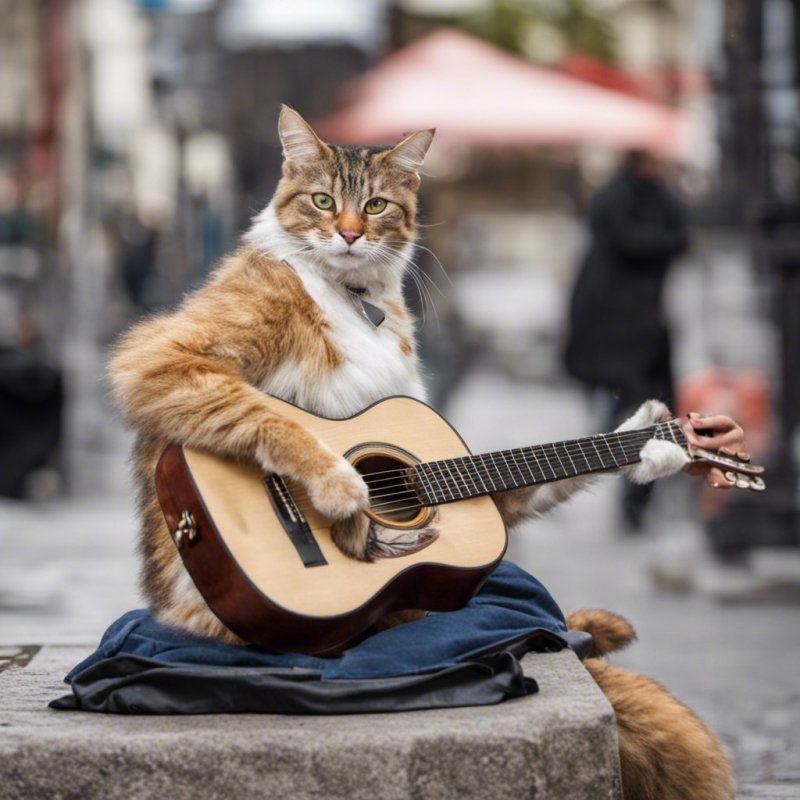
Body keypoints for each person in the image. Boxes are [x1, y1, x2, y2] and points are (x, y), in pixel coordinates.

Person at [565, 149, 689, 529]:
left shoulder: (626, 199)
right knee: (644, 409)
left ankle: (632, 492)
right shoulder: (630, 201)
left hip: (628, 331)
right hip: (630, 331)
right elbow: (649, 239)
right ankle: (633, 497)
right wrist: (679, 239)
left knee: (634, 408)